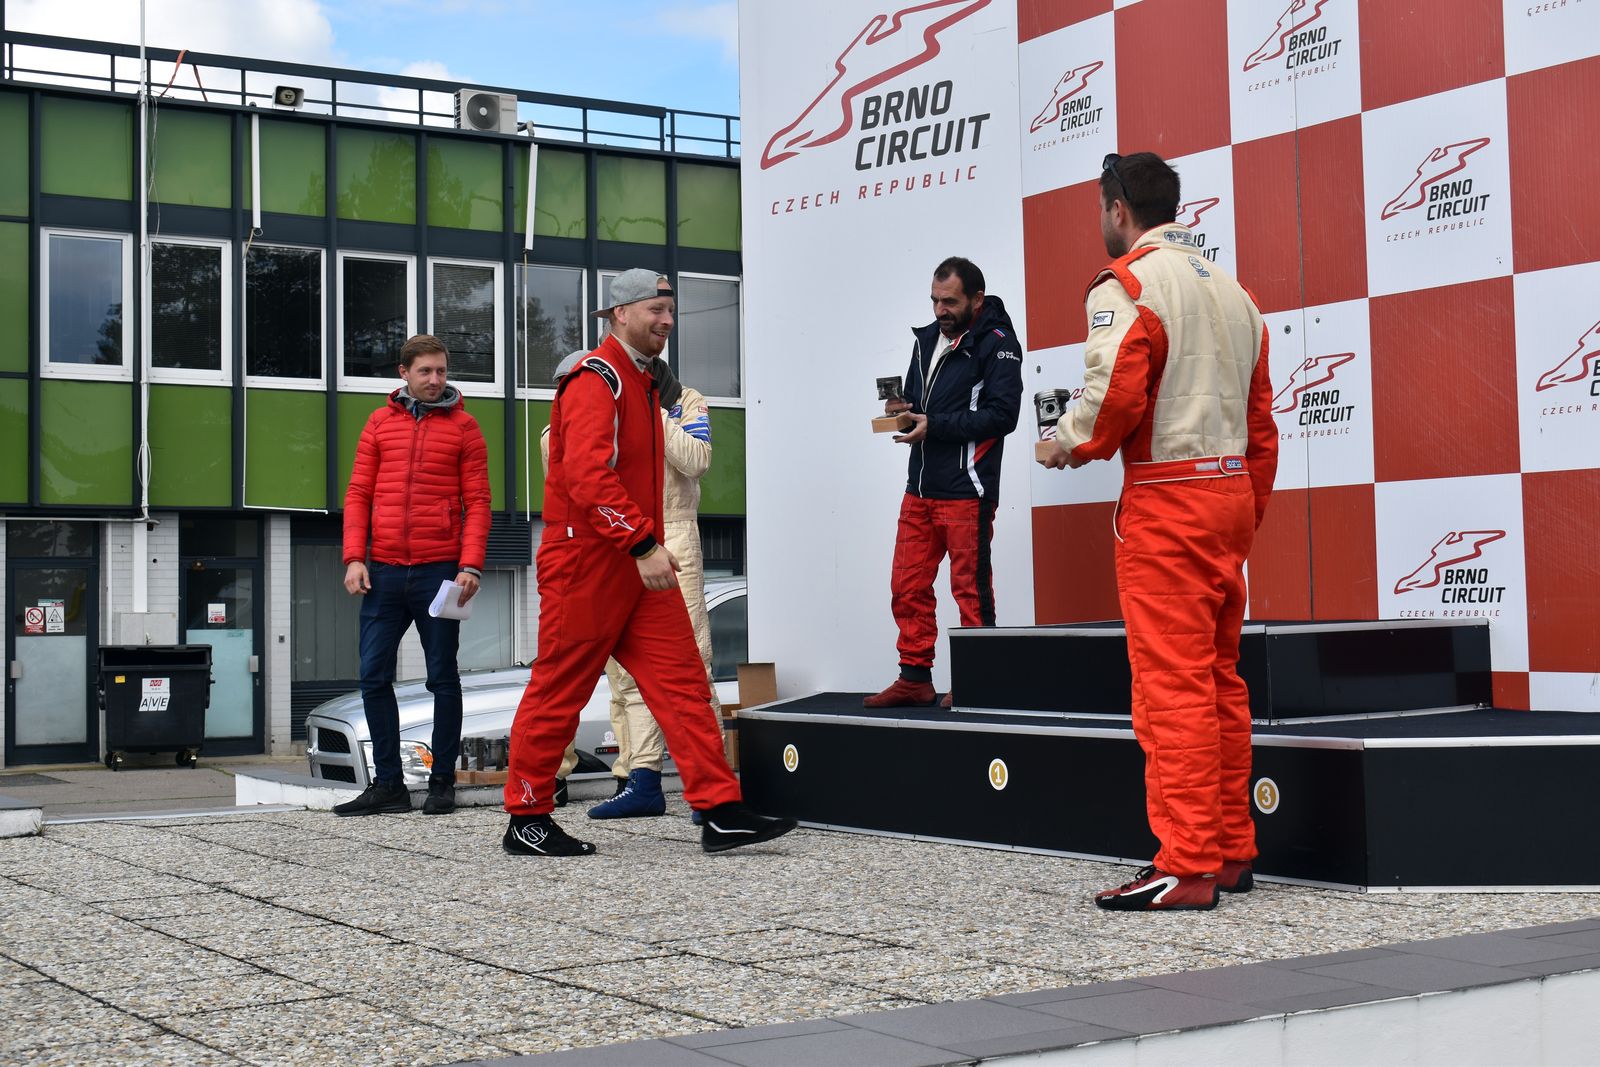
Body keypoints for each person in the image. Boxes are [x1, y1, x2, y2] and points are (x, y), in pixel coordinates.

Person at [1037, 152, 1278, 911]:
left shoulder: (1129, 283)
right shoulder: (1238, 294)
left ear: (1118, 209)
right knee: (1219, 679)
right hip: (1229, 494)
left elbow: (1112, 397)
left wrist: (1064, 443)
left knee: (1171, 685)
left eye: (1100, 210)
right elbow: (1262, 429)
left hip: (1168, 499)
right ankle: (1230, 849)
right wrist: (1241, 510)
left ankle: (1187, 863)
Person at [502, 268, 795, 856]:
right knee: (560, 687)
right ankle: (526, 818)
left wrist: (642, 548)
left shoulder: (641, 383)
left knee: (683, 682)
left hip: (635, 561)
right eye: (654, 309)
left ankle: (719, 810)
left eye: (670, 310)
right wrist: (641, 543)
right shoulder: (597, 378)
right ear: (620, 314)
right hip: (591, 562)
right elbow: (586, 477)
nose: (666, 320)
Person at [336, 333, 491, 818]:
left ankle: (442, 782)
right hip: (382, 572)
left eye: (441, 370)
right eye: (425, 371)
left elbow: (478, 502)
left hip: (441, 572)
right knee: (373, 676)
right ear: (403, 373)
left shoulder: (465, 428)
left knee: (443, 678)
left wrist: (470, 565)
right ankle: (389, 786)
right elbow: (359, 493)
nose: (435, 379)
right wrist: (354, 558)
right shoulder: (379, 423)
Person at [866, 257, 1023, 709]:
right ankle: (915, 677)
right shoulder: (926, 339)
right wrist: (902, 410)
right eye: (934, 300)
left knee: (970, 592)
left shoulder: (998, 343)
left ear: (977, 299)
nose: (939, 310)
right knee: (906, 585)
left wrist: (932, 424)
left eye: (949, 301)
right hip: (919, 487)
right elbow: (923, 405)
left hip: (967, 491)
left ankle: (979, 681)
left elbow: (1003, 416)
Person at [589, 355, 721, 820]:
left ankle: (713, 788)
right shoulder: (606, 397)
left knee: (693, 662)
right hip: (625, 536)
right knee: (629, 671)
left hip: (676, 531)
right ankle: (642, 780)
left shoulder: (687, 400)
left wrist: (654, 412)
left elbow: (696, 460)